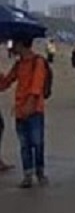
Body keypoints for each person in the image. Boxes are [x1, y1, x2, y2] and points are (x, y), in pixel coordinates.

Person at [0, 37, 51, 187]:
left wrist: (29, 104)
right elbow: (6, 82)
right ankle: (28, 173)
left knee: (37, 142)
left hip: (34, 109)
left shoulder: (38, 62)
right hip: (20, 109)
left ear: (21, 44)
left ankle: (40, 172)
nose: (12, 47)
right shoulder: (19, 64)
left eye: (14, 44)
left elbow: (37, 85)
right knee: (24, 144)